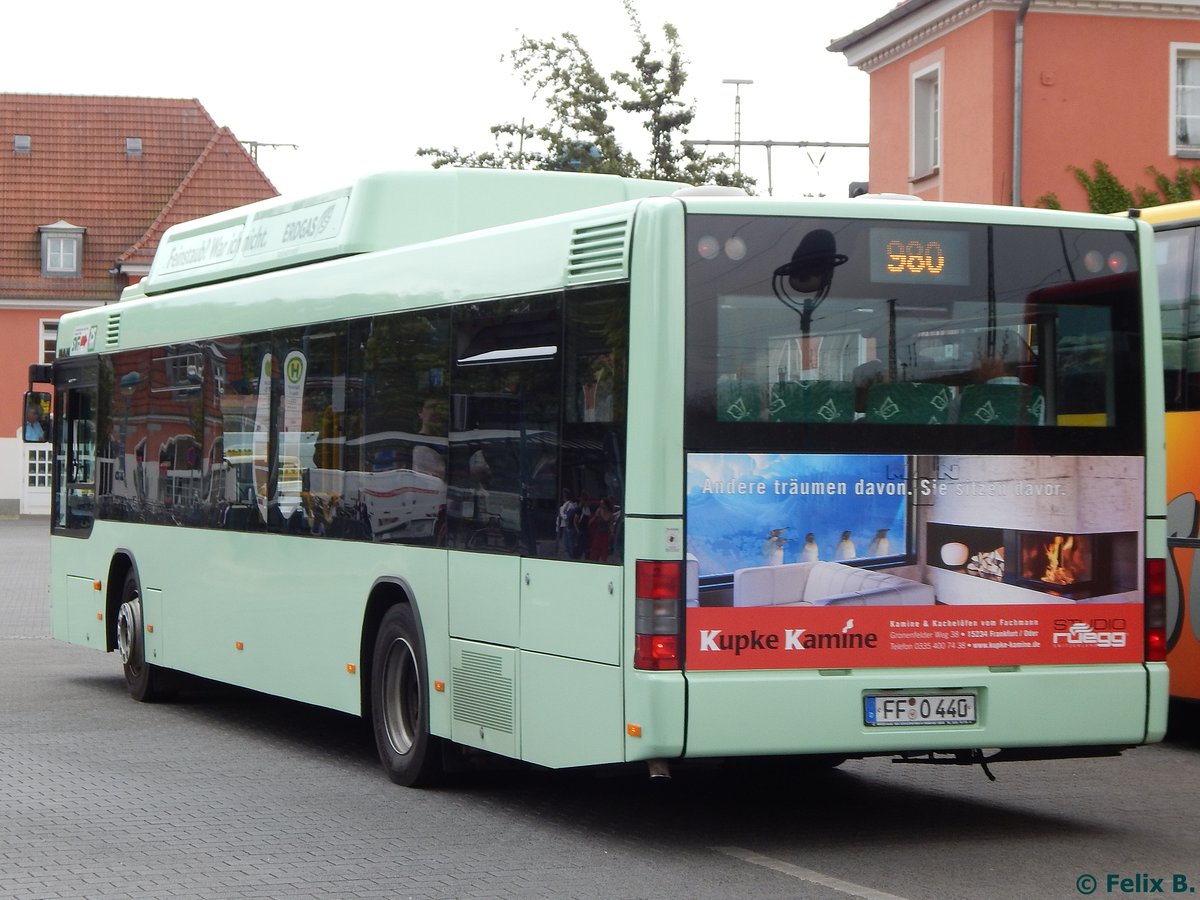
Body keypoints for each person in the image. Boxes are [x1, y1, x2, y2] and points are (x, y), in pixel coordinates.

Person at [588, 497, 614, 562]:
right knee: (595, 549)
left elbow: (610, 525)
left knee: (604, 550)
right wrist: (589, 522)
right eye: (600, 504)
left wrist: (612, 532)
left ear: (606, 505)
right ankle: (595, 561)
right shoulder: (599, 510)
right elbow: (594, 518)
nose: (601, 505)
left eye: (603, 504)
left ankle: (603, 561)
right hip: (598, 533)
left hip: (605, 534)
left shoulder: (610, 514)